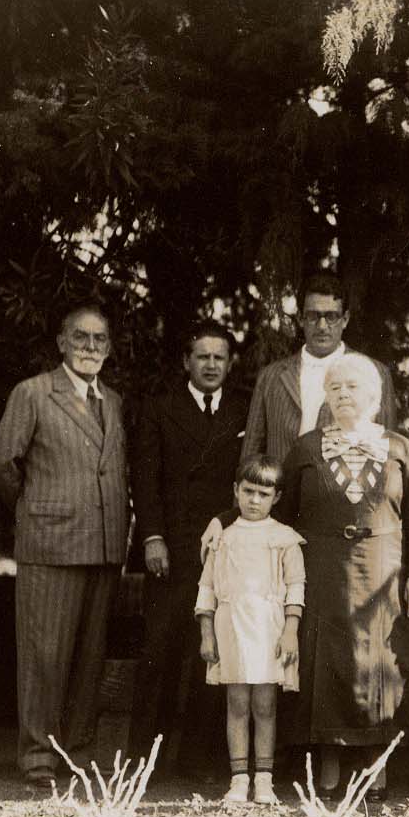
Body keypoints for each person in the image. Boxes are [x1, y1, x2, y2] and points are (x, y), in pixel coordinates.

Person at [0, 303, 129, 786]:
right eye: (80, 337)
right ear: (62, 342)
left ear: (109, 348)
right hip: (51, 544)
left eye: (99, 339)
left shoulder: (113, 401)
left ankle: (73, 751)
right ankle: (37, 755)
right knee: (44, 656)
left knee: (88, 659)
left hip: (103, 546)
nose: (90, 347)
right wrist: (34, 508)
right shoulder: (34, 392)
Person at [277, 353, 409, 801]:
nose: (343, 394)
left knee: (378, 664)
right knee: (329, 661)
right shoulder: (307, 448)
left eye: (353, 386)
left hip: (384, 567)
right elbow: (281, 512)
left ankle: (375, 769)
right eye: (335, 387)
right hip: (323, 567)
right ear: (326, 396)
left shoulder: (398, 447)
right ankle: (328, 767)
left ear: (375, 397)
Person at [129, 321, 249, 773]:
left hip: (225, 548)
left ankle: (198, 760)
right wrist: (152, 537)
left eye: (219, 357)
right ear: (187, 362)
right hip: (173, 548)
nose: (211, 365)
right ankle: (143, 761)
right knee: (159, 652)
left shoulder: (242, 410)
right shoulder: (160, 408)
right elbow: (145, 478)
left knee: (213, 654)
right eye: (203, 357)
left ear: (230, 364)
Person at [195, 455, 306, 804]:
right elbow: (207, 588)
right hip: (231, 627)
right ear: (236, 491)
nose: (254, 500)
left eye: (263, 493)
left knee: (265, 705)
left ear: (276, 497)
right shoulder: (223, 537)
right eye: (248, 491)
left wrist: (290, 631)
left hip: (269, 629)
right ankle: (239, 779)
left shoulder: (284, 538)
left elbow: (296, 586)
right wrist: (207, 633)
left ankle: (264, 780)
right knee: (237, 702)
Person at [242, 271, 396, 467]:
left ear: (345, 319)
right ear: (300, 318)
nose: (322, 326)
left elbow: (388, 454)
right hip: (282, 485)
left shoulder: (375, 373)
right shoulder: (271, 377)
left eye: (331, 316)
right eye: (313, 316)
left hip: (343, 485)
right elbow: (250, 456)